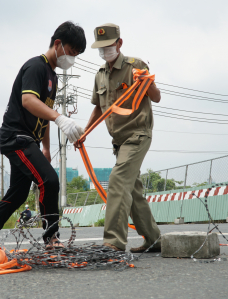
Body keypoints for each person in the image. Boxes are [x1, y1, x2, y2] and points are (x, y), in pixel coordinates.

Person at [0, 21, 86, 256]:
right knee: (49, 180)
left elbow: (41, 114)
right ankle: (51, 238)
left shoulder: (52, 76)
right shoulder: (36, 67)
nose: (71, 59)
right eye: (71, 53)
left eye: (76, 56)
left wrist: (45, 148)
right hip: (17, 138)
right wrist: (60, 118)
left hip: (29, 140)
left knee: (17, 195)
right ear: (57, 44)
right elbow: (28, 102)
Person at [84, 23, 162, 253]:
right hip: (119, 142)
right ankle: (154, 240)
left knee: (117, 180)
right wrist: (85, 133)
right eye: (101, 47)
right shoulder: (100, 75)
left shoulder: (135, 66)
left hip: (138, 135)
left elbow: (156, 98)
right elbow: (99, 109)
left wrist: (147, 82)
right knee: (133, 190)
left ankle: (114, 242)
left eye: (109, 46)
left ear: (119, 43)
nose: (105, 51)